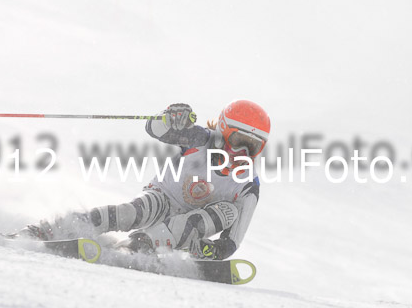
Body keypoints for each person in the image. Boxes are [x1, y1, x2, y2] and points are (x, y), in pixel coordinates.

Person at [23, 100, 270, 260]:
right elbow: (155, 129)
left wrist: (214, 251)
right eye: (239, 142)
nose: (243, 154)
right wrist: (171, 117)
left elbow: (233, 241)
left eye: (253, 147)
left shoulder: (248, 184)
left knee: (229, 211)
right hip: (163, 200)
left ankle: (136, 248)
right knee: (131, 213)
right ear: (224, 132)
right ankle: (48, 230)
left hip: (191, 226)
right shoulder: (200, 140)